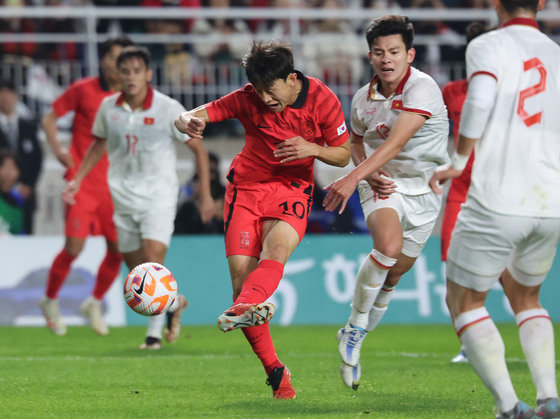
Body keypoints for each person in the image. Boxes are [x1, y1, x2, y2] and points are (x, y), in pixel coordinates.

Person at [174, 40, 351, 399]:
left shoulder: (323, 99)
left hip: (292, 189)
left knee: (277, 248)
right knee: (242, 282)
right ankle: (274, 368)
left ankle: (247, 305)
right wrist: (185, 120)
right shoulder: (247, 97)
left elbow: (344, 154)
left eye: (270, 90)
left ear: (291, 78)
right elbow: (198, 113)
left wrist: (313, 148)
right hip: (247, 189)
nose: (265, 98)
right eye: (257, 89)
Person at [428, 0, 560, 417]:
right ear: (540, 3)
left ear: (494, 4)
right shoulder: (556, 53)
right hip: (552, 200)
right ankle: (549, 398)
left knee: (463, 300)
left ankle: (508, 406)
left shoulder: (489, 44)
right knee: (526, 295)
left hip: (500, 197)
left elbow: (479, 100)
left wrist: (461, 160)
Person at [322, 15, 449, 390]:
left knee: (394, 274)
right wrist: (362, 171)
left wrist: (351, 176)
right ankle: (355, 328)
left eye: (394, 51)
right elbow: (357, 142)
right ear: (370, 56)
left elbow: (395, 142)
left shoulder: (423, 89)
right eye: (378, 52)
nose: (386, 59)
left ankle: (352, 331)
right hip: (383, 183)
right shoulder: (363, 98)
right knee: (388, 247)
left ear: (409, 54)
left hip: (425, 190)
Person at [62, 46, 216, 350]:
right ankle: (173, 305)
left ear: (148, 74)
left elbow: (198, 148)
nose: (131, 77)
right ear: (118, 75)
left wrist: (207, 195)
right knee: (136, 268)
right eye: (125, 71)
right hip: (122, 197)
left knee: (153, 260)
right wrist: (77, 180)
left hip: (159, 196)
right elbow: (98, 145)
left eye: (137, 71)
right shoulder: (109, 108)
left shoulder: (168, 108)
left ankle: (153, 336)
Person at [40, 37, 133, 337]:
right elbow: (49, 118)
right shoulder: (83, 90)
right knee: (74, 246)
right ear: (104, 61)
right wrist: (59, 152)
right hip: (81, 181)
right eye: (117, 60)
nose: (122, 68)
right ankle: (49, 299)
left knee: (118, 249)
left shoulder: (130, 97)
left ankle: (94, 302)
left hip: (113, 186)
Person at [440, 21, 488, 365]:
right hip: (459, 190)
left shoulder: (505, 93)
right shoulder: (451, 92)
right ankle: (468, 344)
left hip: (495, 190)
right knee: (452, 273)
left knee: (511, 276)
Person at [0, 78, 43, 234]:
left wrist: (27, 185)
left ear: (16, 96)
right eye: (1, 93)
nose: (5, 97)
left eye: (9, 93)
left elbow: (37, 159)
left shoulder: (28, 126)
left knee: (26, 238)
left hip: (25, 195)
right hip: (1, 197)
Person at [0, 149, 24, 235]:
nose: (8, 171)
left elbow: (20, 231)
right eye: (4, 166)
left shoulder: (18, 199)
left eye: (13, 167)